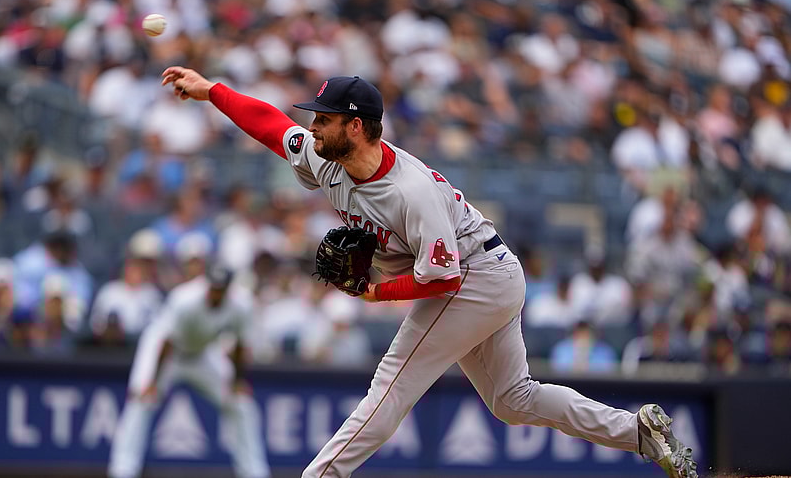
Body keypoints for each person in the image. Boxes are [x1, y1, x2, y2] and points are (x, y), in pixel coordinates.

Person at [159, 67, 698, 478]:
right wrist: (212, 91)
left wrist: (375, 293)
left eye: (323, 118)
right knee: (514, 401)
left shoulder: (409, 191)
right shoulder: (327, 159)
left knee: (392, 384)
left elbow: (440, 280)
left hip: (475, 276)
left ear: (356, 126)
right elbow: (271, 126)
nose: (312, 126)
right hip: (483, 273)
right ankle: (642, 433)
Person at [108, 263, 270, 478]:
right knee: (142, 400)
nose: (215, 292)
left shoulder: (241, 304)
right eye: (213, 287)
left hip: (202, 353)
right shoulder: (185, 299)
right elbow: (166, 342)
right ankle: (123, 470)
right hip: (166, 352)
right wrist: (152, 383)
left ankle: (254, 472)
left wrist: (237, 381)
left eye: (220, 288)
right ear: (206, 284)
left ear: (229, 288)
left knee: (241, 404)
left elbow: (240, 345)